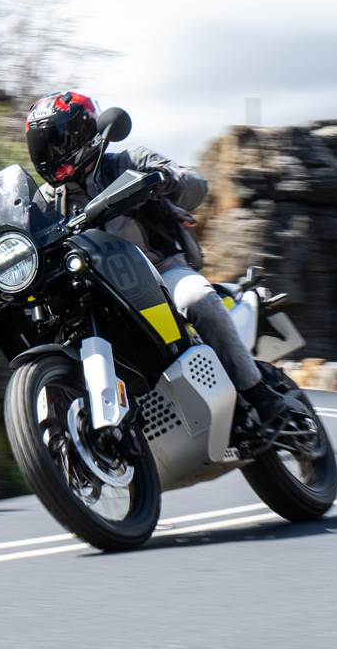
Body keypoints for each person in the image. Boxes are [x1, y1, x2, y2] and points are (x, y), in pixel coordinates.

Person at [24, 90, 290, 425]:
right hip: (99, 294)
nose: (50, 154)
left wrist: (166, 179)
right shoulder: (45, 201)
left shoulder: (127, 161)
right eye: (43, 146)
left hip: (161, 272)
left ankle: (256, 391)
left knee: (197, 299)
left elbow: (197, 187)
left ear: (85, 133)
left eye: (58, 142)